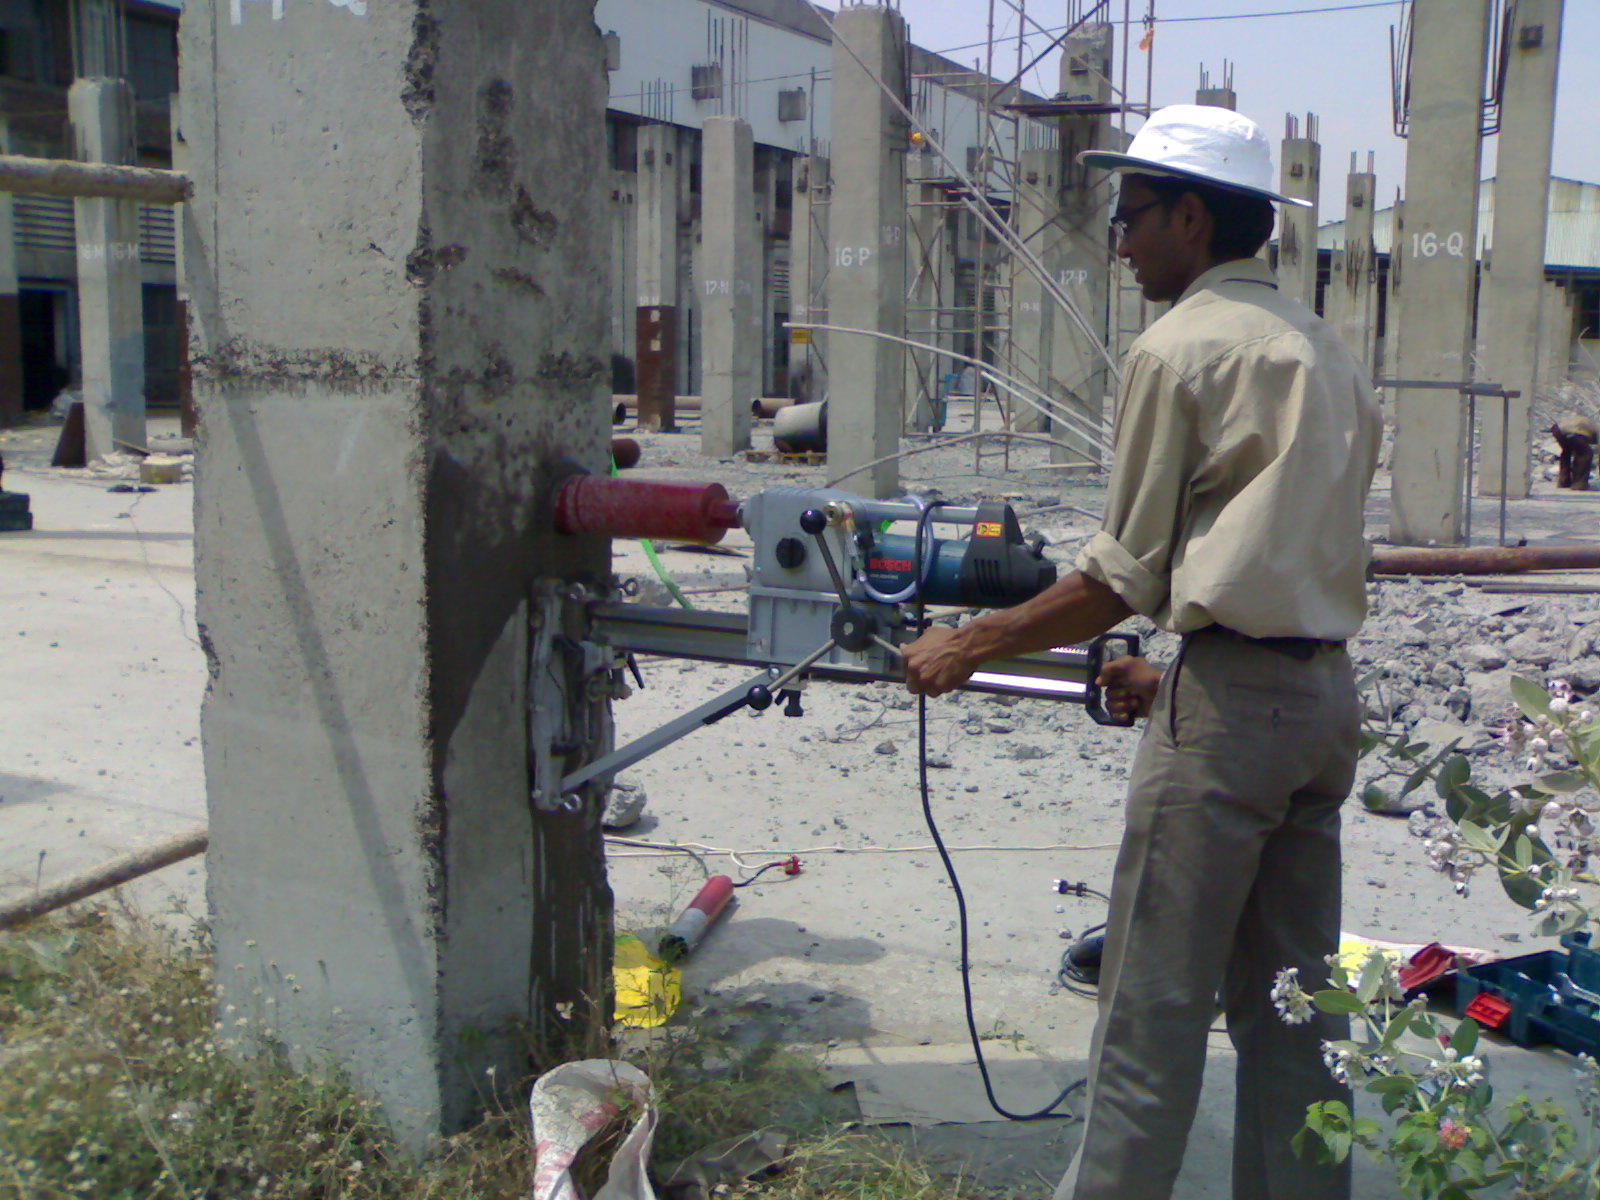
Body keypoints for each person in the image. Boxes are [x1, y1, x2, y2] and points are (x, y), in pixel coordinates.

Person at [902, 104, 1381, 1200]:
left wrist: (968, 643)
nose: (1118, 243)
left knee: (1150, 1012)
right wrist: (1179, 673)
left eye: (1131, 218)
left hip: (1228, 725)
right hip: (1314, 712)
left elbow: (1118, 576)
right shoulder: (1325, 351)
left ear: (1190, 215)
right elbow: (1281, 570)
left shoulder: (1180, 349)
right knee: (1299, 1012)